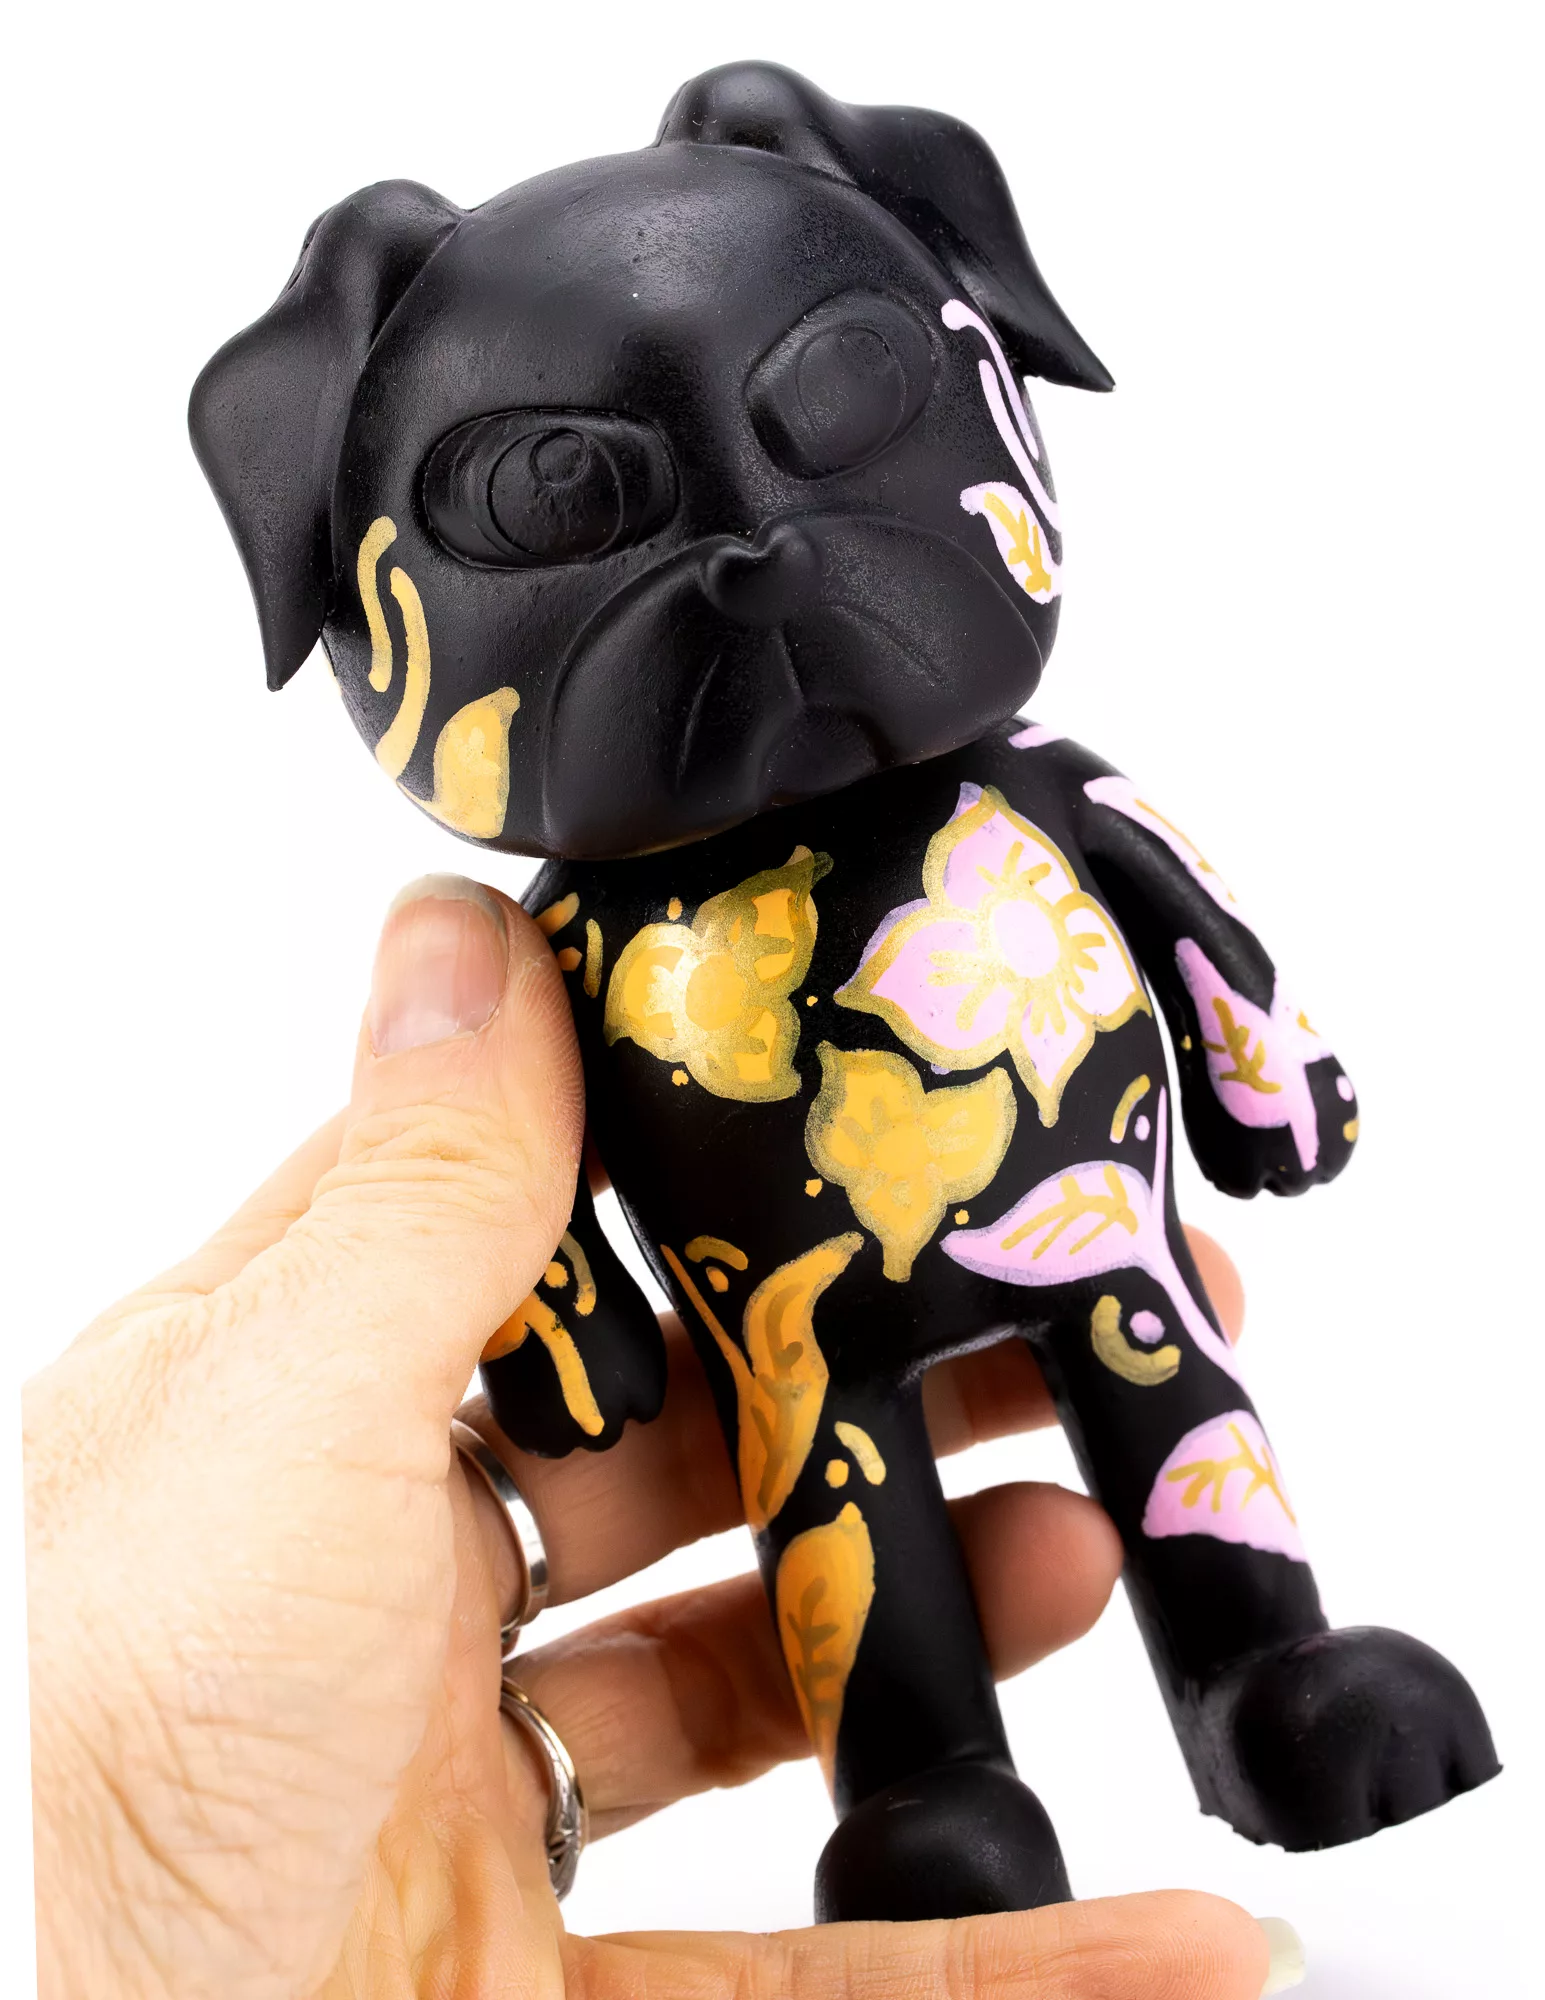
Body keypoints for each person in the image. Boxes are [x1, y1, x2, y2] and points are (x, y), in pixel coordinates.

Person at [24, 875, 1302, 1998]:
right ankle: (927, 1782)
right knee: (841, 1500)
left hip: (1091, 1221)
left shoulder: (1005, 786)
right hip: (793, 1338)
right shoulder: (579, 940)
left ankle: (1270, 1660)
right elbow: (536, 1143)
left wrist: (1258, 1060)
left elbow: (1168, 893)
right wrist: (561, 1302)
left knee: (1137, 1366)